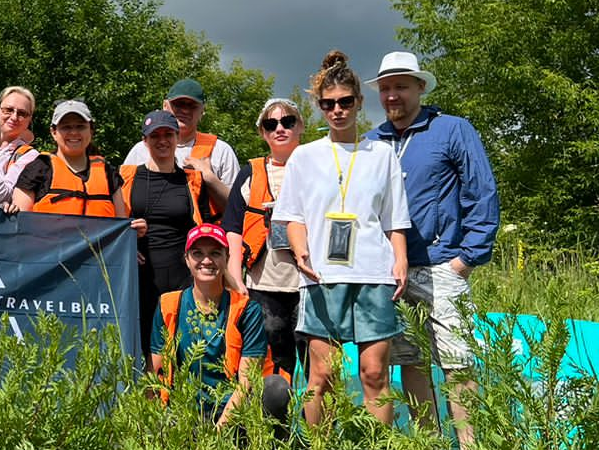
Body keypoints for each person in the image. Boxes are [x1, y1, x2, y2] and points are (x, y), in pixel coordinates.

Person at [370, 51, 500, 450]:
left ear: (420, 87)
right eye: (386, 88)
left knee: (458, 363)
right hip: (394, 271)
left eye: (401, 87)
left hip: (444, 264)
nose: (393, 96)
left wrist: (466, 259)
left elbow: (481, 192)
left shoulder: (452, 130)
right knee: (411, 361)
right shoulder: (373, 141)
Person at [272, 51, 410, 428]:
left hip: (373, 274)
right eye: (328, 104)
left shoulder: (382, 154)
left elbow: (395, 218)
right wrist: (301, 253)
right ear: (319, 107)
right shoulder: (304, 156)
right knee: (323, 375)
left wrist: (400, 261)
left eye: (345, 102)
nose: (337, 110)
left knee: (373, 374)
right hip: (322, 276)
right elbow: (291, 217)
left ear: (358, 102)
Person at [151, 224, 290, 439]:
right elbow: (157, 374)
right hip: (185, 413)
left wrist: (217, 438)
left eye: (215, 253)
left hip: (235, 414)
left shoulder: (247, 309)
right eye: (198, 253)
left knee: (276, 388)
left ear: (226, 259)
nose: (206, 260)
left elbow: (247, 382)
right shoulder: (168, 305)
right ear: (186, 259)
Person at [223, 98, 306, 381]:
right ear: (262, 132)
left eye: (288, 122)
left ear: (300, 126)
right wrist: (235, 278)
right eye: (271, 124)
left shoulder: (318, 167)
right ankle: (275, 426)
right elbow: (232, 228)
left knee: (319, 368)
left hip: (311, 284)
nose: (279, 129)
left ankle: (318, 426)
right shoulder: (250, 173)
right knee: (273, 368)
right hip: (264, 286)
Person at [120, 109, 214, 346]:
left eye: (168, 135)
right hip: (138, 277)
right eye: (155, 136)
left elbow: (204, 230)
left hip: (180, 277)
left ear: (177, 138)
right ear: (145, 141)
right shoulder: (127, 177)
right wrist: (127, 237)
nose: (162, 141)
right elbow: (112, 223)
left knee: (181, 345)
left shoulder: (192, 181)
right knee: (139, 346)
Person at [121, 78, 240, 216]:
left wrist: (209, 178)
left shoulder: (220, 151)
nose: (184, 110)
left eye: (192, 106)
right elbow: (122, 201)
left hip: (205, 234)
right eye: (178, 104)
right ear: (165, 106)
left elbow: (237, 210)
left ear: (202, 111)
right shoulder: (140, 150)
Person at [13, 100, 126, 218]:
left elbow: (122, 226)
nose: (73, 132)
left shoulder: (109, 173)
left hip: (98, 237)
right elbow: (19, 224)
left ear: (91, 130)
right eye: (66, 127)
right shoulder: (38, 168)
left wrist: (136, 230)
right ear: (54, 132)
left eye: (80, 126)